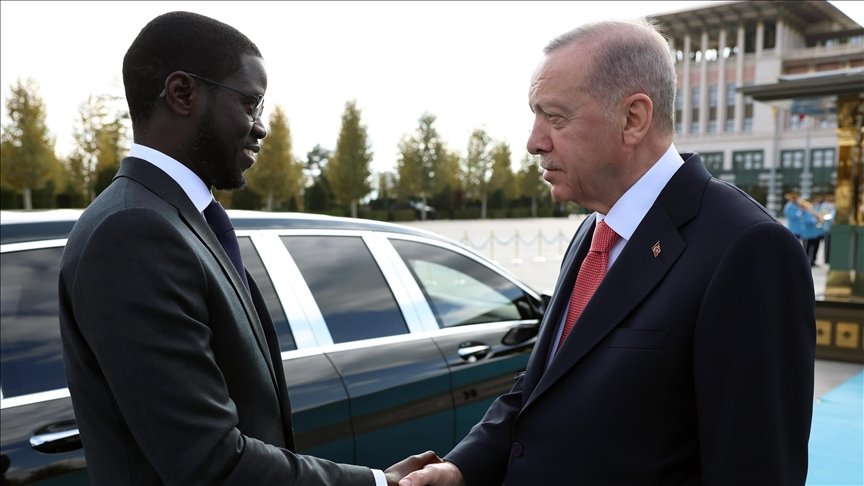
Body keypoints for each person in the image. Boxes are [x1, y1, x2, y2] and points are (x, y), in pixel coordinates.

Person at [399, 19, 814, 486]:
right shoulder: (593, 231)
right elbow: (544, 385)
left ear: (633, 118)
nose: (534, 142)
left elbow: (756, 468)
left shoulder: (748, 249)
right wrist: (461, 467)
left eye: (555, 118)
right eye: (535, 116)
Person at [58, 11, 438, 485]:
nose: (261, 127)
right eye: (251, 103)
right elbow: (209, 462)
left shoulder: (172, 219)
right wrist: (377, 483)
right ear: (182, 93)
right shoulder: (133, 232)